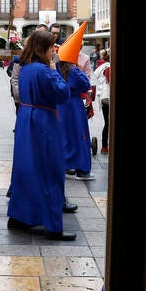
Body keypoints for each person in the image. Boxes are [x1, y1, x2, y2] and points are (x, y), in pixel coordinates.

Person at [6, 28, 75, 241]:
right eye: (51, 47)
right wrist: (55, 69)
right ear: (42, 48)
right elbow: (63, 93)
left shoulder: (25, 68)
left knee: (25, 169)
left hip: (26, 118)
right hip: (43, 123)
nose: (54, 51)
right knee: (50, 171)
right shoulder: (44, 71)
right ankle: (53, 227)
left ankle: (19, 217)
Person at [56, 22, 96, 182]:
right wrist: (78, 68)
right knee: (80, 135)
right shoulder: (73, 70)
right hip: (74, 106)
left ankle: (67, 165)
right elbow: (86, 84)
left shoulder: (55, 68)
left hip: (61, 105)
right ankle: (82, 169)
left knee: (65, 136)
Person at [92, 50, 110, 153]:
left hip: (102, 97)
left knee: (106, 123)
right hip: (109, 96)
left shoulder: (100, 67)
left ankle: (104, 147)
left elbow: (95, 81)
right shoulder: (109, 66)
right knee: (111, 123)